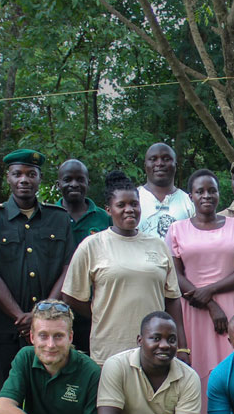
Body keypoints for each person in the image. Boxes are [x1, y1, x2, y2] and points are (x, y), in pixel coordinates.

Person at [166, 168, 234, 414]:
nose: (207, 195)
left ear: (219, 194)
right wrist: (210, 304)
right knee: (200, 371)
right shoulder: (176, 229)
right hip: (194, 312)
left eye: (212, 190)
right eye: (200, 191)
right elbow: (175, 275)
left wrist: (212, 292)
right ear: (190, 196)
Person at [62, 170, 184, 365]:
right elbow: (71, 295)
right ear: (108, 210)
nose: (129, 209)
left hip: (154, 350)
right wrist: (100, 311)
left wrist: (182, 347)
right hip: (109, 348)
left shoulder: (158, 245)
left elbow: (172, 299)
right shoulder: (92, 245)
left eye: (134, 204)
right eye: (121, 205)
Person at [0, 149, 74, 394]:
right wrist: (21, 315)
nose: (24, 180)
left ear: (40, 178)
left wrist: (41, 314)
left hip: (50, 327)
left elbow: (67, 269)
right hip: (6, 326)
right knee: (8, 393)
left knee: (49, 394)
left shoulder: (59, 218)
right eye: (17, 174)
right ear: (8, 178)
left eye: (31, 174)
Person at [56, 158, 112, 353]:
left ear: (88, 182)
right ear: (58, 184)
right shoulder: (49, 216)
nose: (74, 184)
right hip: (58, 307)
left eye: (80, 179)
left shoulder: (104, 218)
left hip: (94, 308)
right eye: (67, 179)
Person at [137, 142, 195, 238]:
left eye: (166, 159)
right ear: (145, 166)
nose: (159, 163)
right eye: (153, 159)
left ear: (175, 165)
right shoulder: (133, 200)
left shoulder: (189, 202)